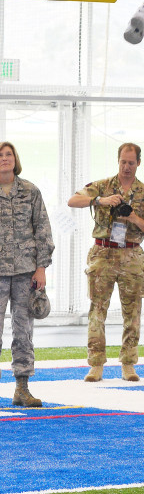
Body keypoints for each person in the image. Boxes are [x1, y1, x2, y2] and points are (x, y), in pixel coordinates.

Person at [68, 142, 144, 382]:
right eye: (123, 162)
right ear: (117, 161)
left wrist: (133, 217)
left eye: (131, 162)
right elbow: (72, 201)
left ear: (138, 163)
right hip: (103, 254)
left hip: (131, 255)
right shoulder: (103, 186)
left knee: (133, 312)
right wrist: (100, 201)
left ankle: (128, 364)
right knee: (97, 311)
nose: (126, 167)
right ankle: (96, 364)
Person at [0, 141, 54, 408]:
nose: (4, 158)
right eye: (0, 155)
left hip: (25, 273)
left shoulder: (31, 191)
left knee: (23, 332)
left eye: (8, 154)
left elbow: (42, 229)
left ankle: (22, 389)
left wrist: (41, 267)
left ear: (15, 159)